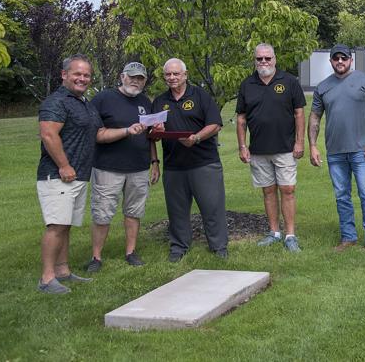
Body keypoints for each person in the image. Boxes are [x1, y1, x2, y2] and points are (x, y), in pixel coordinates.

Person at [37, 54, 144, 294]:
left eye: (86, 75)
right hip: (58, 174)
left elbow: (100, 134)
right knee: (56, 226)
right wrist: (63, 165)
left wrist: (128, 130)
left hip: (78, 175)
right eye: (77, 74)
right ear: (64, 75)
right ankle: (46, 278)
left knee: (65, 226)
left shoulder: (84, 103)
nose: (82, 78)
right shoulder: (56, 101)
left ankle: (63, 271)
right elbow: (48, 134)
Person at [309, 44, 365, 256]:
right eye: (336, 58)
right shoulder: (323, 87)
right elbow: (315, 117)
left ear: (350, 60)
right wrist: (313, 145)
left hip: (362, 151)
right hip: (335, 152)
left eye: (344, 58)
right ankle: (348, 238)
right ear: (331, 61)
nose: (340, 61)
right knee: (342, 196)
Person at [85, 62, 161, 272]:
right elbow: (96, 135)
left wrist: (155, 162)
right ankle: (96, 257)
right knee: (102, 214)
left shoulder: (145, 102)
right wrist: (126, 131)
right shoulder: (103, 99)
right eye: (132, 77)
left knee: (134, 212)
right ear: (122, 77)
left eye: (140, 79)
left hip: (138, 167)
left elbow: (150, 137)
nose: (136, 81)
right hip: (108, 167)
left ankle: (131, 252)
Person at [151, 58, 228, 262]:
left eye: (176, 73)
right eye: (168, 74)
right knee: (177, 210)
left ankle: (219, 247)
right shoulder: (159, 102)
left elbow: (215, 124)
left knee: (212, 207)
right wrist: (157, 132)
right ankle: (178, 247)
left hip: (204, 162)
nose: (172, 77)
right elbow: (152, 136)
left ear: (185, 75)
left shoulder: (200, 96)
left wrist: (196, 138)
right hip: (174, 165)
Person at [236, 44, 306, 252]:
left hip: (285, 148)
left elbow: (299, 114)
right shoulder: (247, 84)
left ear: (275, 59)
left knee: (288, 189)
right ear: (255, 60)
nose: (264, 62)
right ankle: (274, 232)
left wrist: (300, 142)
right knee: (268, 191)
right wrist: (242, 146)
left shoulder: (290, 81)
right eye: (259, 59)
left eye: (267, 58)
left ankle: (290, 235)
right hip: (258, 149)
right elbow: (241, 119)